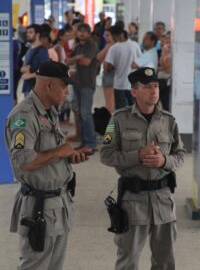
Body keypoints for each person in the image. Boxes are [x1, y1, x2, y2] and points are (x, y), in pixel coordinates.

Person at [4, 61, 92, 270]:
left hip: (58, 204)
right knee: (35, 265)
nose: (66, 92)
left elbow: (51, 153)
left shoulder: (49, 111)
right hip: (39, 207)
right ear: (50, 85)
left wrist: (69, 156)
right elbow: (23, 160)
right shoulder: (24, 116)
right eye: (64, 87)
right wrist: (59, 151)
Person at [100, 67, 185, 270]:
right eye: (147, 87)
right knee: (128, 261)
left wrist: (164, 161)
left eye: (156, 86)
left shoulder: (169, 121)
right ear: (134, 91)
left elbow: (180, 155)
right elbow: (105, 154)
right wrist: (137, 155)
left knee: (165, 262)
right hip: (132, 203)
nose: (153, 91)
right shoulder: (117, 120)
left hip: (163, 202)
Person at [67, 23, 99, 152]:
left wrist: (78, 58)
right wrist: (78, 57)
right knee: (80, 113)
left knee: (85, 113)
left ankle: (91, 143)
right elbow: (68, 61)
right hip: (77, 83)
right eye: (79, 31)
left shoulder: (91, 45)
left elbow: (86, 62)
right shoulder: (78, 46)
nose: (81, 34)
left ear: (89, 33)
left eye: (84, 31)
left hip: (87, 84)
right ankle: (84, 141)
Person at [104, 25, 141, 109]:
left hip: (119, 85)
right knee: (134, 109)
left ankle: (123, 122)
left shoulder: (114, 48)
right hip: (133, 84)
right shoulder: (134, 45)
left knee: (121, 111)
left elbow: (107, 67)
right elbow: (140, 63)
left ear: (116, 35)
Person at [21, 24, 49, 97]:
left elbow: (45, 71)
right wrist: (23, 69)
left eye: (30, 32)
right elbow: (24, 67)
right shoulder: (29, 50)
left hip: (37, 90)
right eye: (27, 32)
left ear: (37, 35)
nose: (27, 34)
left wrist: (29, 75)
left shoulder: (42, 51)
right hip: (27, 88)